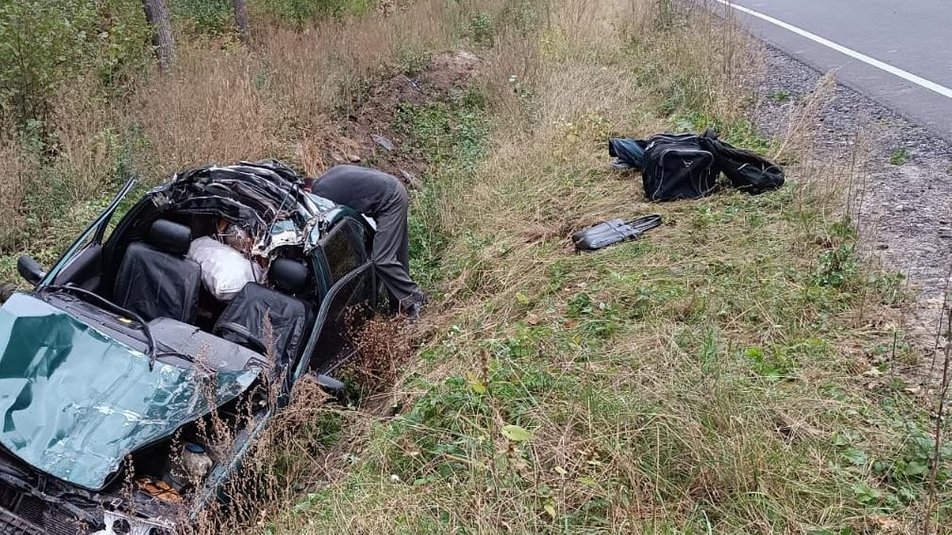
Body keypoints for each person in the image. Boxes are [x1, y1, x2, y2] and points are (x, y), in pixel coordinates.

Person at [306, 165, 426, 318]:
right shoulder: (327, 177)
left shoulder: (321, 194)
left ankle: (416, 298)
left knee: (382, 259)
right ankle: (400, 307)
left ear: (307, 190)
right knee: (395, 254)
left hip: (390, 201)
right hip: (392, 190)